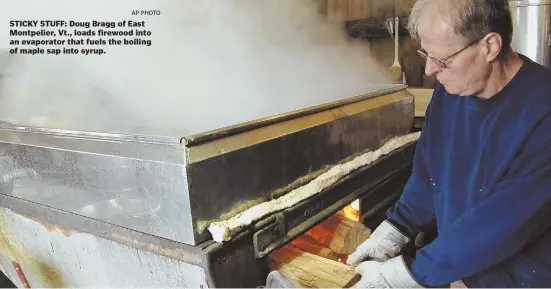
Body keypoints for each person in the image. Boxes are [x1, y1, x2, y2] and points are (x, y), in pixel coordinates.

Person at [345, 0, 551, 287]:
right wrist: (396, 228)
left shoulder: (543, 112)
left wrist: (406, 276)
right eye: (426, 55)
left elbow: (500, 225)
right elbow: (431, 174)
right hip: (461, 269)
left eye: (441, 59)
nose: (430, 70)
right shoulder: (450, 92)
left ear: (490, 46)